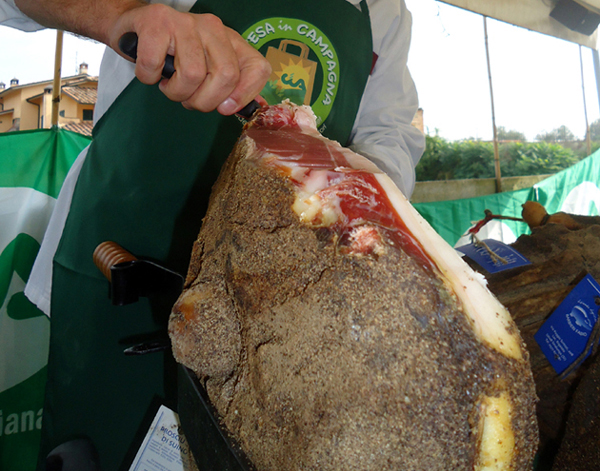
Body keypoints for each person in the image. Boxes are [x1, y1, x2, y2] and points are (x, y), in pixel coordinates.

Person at [1, 0, 425, 468]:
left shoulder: (384, 10)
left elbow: (392, 133)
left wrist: (348, 196)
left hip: (277, 307)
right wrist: (121, 14)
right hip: (122, 269)